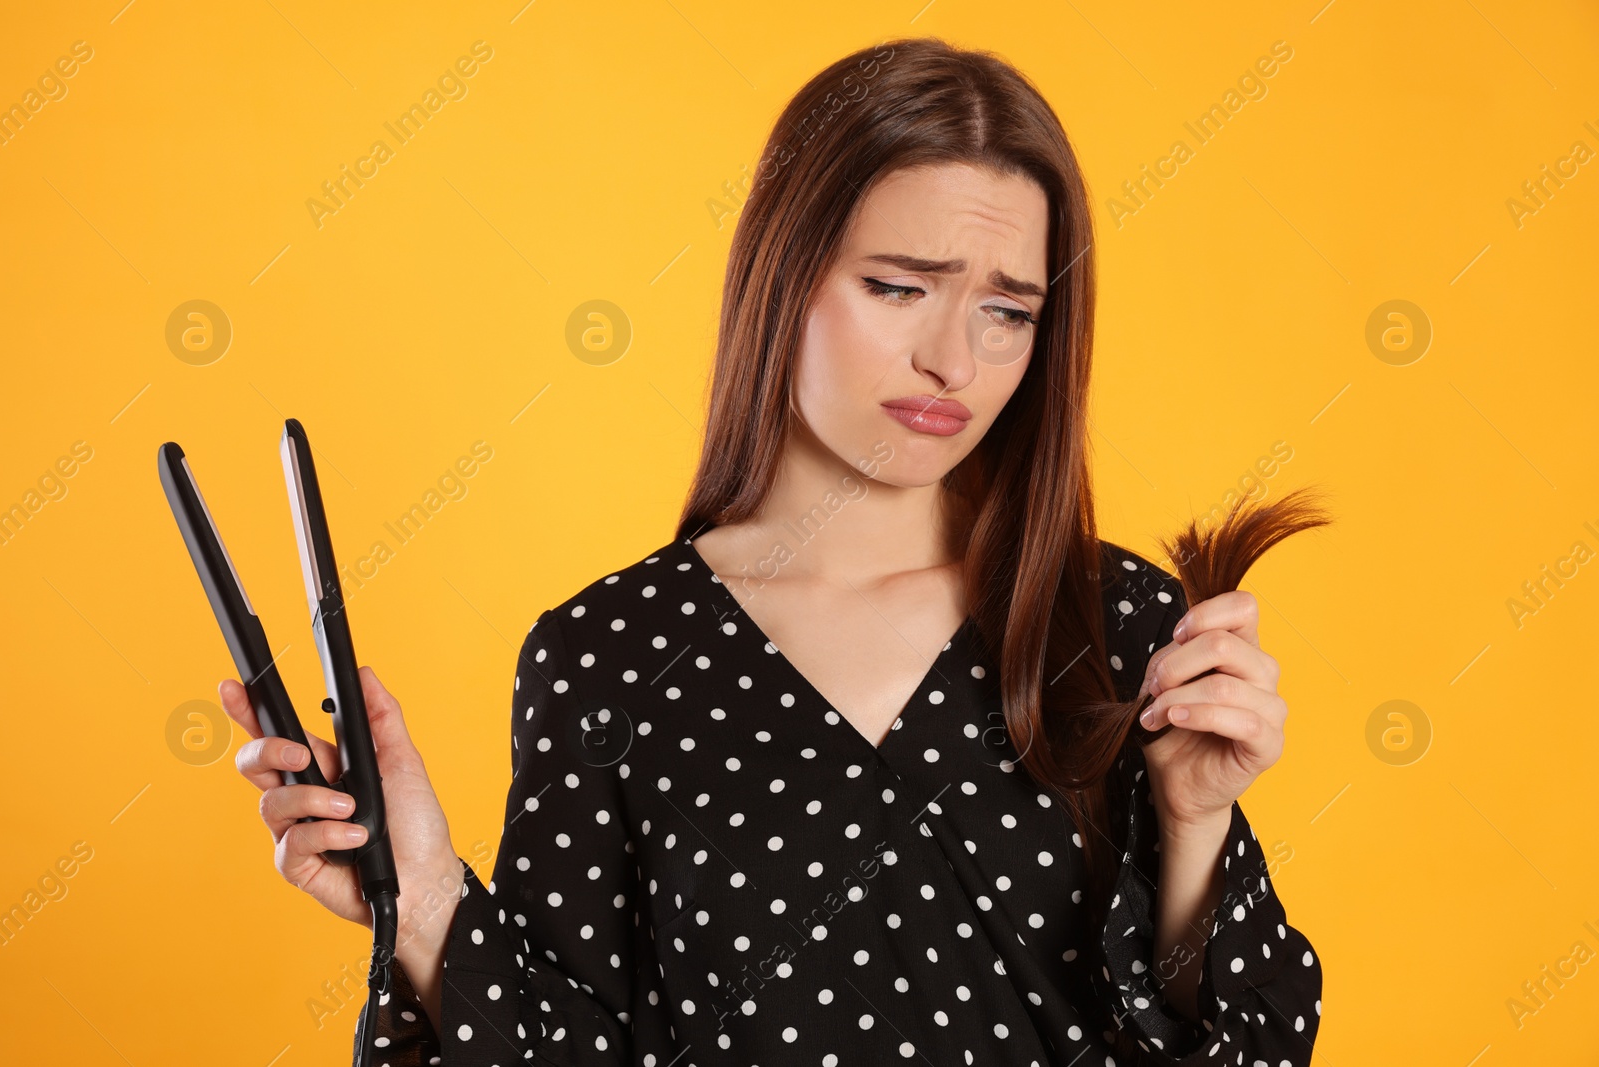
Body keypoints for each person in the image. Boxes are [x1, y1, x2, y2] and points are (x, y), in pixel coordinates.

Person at [221, 36, 1322, 1066]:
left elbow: (1253, 1044)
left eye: (1007, 310)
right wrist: (419, 904)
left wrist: (1192, 822)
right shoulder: (608, 655)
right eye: (898, 287)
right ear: (780, 275)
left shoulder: (1119, 618)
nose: (952, 358)